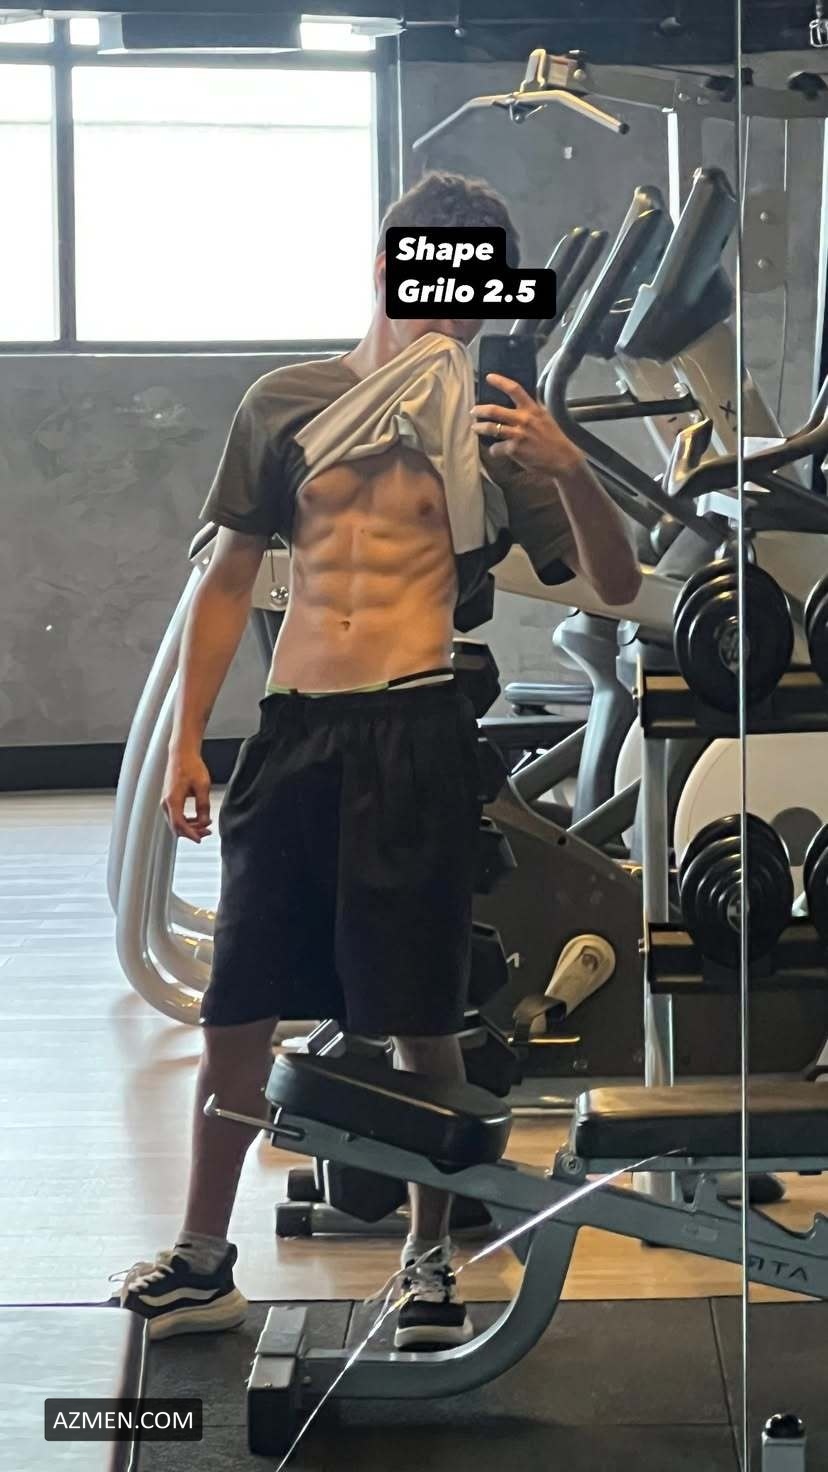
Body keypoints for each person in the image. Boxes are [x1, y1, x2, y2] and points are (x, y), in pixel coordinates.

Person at [114, 171, 641, 1348]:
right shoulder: (286, 402)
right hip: (296, 731)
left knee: (419, 1014)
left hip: (417, 734)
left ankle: (426, 1259)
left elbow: (613, 584)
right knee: (238, 1008)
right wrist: (190, 737)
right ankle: (203, 1257)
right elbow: (230, 577)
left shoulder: (499, 433)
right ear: (384, 272)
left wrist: (570, 465)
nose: (445, 313)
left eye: (469, 296)